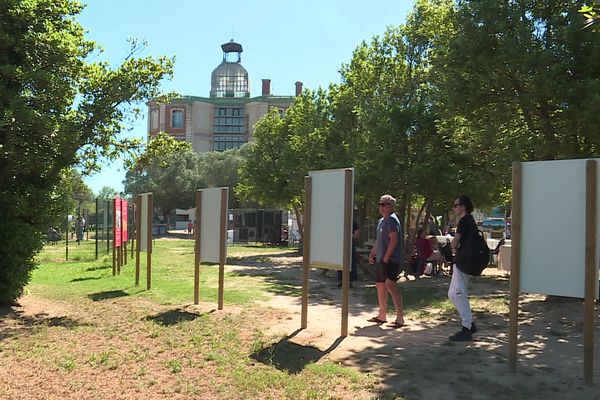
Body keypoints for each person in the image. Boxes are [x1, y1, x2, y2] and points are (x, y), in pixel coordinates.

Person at [368, 194, 405, 328]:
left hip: (391, 259)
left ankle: (400, 318)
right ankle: (382, 315)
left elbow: (394, 240)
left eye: (385, 204)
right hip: (381, 259)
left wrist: (386, 257)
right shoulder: (381, 221)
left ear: (391, 206)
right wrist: (373, 252)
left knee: (390, 285)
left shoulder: (391, 220)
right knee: (380, 285)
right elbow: (380, 241)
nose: (382, 207)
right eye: (380, 204)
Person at [448, 195, 478, 341]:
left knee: (458, 293)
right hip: (464, 260)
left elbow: (455, 242)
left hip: (463, 261)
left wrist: (454, 245)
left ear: (463, 206)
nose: (454, 208)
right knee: (453, 294)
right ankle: (469, 323)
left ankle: (466, 327)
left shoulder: (464, 221)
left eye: (456, 205)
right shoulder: (470, 221)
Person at [337, 221, 360, 288]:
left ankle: (350, 281)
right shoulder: (339, 221)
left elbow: (357, 235)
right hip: (341, 243)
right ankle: (341, 281)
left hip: (350, 244)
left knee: (351, 262)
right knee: (341, 262)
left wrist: (348, 234)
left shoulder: (353, 223)